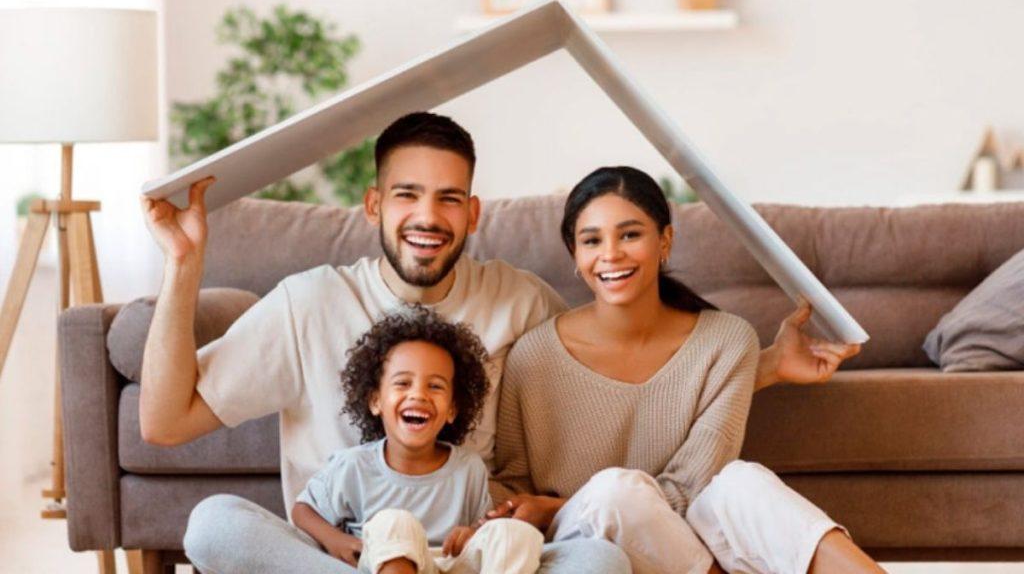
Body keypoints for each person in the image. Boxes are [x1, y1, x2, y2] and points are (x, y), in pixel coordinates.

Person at [140, 111, 858, 573]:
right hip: (349, 558)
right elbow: (164, 422)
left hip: (479, 559)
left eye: (449, 197)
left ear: (473, 211)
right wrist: (183, 265)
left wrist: (758, 367)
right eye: (407, 195)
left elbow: (619, 368)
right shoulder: (308, 303)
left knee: (600, 565)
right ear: (372, 205)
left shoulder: (519, 302)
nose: (428, 216)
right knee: (213, 525)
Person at [490, 166, 885, 574]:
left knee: (739, 482)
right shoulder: (534, 355)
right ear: (575, 253)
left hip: (684, 541)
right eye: (592, 240)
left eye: (629, 235)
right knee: (613, 493)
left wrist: (560, 503)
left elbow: (692, 488)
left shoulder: (727, 341)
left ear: (665, 241)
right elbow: (513, 483)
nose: (610, 254)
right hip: (584, 544)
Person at [293, 307, 544, 574]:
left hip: (447, 565)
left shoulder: (468, 468)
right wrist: (336, 541)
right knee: (394, 522)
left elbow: (480, 534)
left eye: (435, 386)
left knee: (513, 534)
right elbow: (302, 510)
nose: (419, 395)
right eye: (403, 383)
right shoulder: (353, 466)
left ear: (452, 409)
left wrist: (471, 534)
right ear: (376, 401)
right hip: (385, 562)